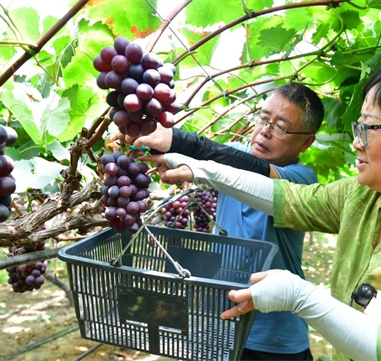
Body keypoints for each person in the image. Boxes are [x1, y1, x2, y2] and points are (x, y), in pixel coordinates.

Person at [141, 60, 381, 361]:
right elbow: (288, 199)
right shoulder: (367, 197)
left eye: (368, 129)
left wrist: (301, 297)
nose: (356, 144)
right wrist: (203, 169)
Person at [134, 84, 325, 361]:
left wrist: (181, 144)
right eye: (263, 118)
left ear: (306, 142)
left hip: (275, 340)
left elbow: (240, 170)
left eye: (281, 128)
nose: (265, 131)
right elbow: (221, 155)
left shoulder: (302, 179)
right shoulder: (233, 155)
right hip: (220, 327)